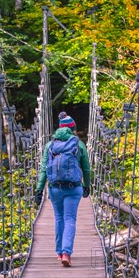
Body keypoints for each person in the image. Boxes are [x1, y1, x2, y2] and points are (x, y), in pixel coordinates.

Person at [34, 112, 90, 267]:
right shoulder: (78, 144)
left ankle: (59, 252)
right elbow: (86, 169)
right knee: (70, 219)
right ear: (73, 129)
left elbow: (44, 169)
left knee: (59, 218)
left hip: (55, 188)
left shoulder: (50, 145)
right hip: (73, 188)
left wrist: (39, 190)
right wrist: (87, 185)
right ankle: (66, 253)